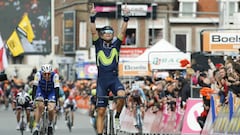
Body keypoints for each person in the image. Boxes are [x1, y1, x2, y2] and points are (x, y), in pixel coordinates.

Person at [89, 3, 130, 135]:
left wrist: (126, 18)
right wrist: (92, 18)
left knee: (122, 96)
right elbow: (93, 31)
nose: (108, 34)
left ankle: (117, 116)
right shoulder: (98, 44)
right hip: (101, 81)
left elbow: (122, 32)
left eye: (110, 32)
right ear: (102, 35)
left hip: (114, 79)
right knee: (101, 111)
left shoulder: (116, 44)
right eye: (105, 32)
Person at [32, 64, 60, 135]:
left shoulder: (55, 76)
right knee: (40, 106)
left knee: (51, 108)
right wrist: (33, 99)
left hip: (51, 92)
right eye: (45, 74)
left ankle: (50, 125)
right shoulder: (38, 74)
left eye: (48, 74)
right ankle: (37, 126)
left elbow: (57, 89)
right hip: (41, 91)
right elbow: (34, 87)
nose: (47, 76)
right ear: (42, 73)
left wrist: (56, 102)